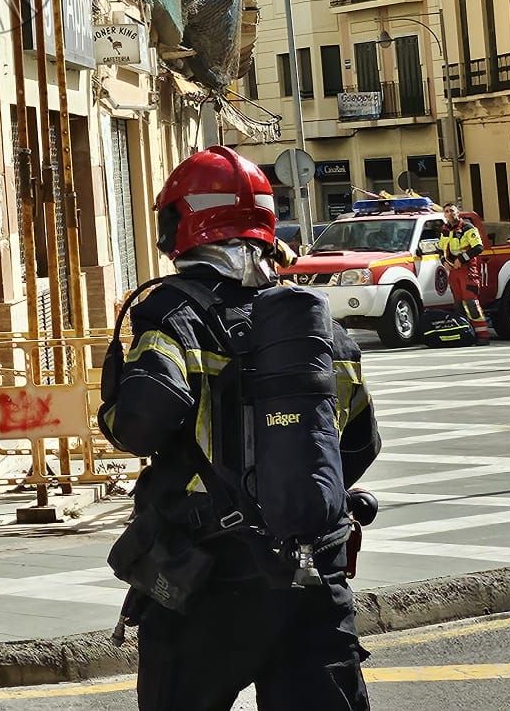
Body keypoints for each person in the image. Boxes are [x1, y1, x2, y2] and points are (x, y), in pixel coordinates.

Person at [100, 145, 382, 711]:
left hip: (209, 581)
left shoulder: (173, 314)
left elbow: (141, 425)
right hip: (312, 576)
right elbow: (359, 439)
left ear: (184, 223)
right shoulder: (311, 320)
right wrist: (290, 492)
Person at [435, 208, 492, 340]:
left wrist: (461, 259)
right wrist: (444, 261)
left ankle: (482, 334)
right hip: (453, 270)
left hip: (467, 268)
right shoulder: (445, 230)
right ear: (444, 214)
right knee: (458, 304)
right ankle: (465, 332)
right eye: (447, 211)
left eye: (452, 210)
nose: (450, 213)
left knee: (471, 302)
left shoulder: (467, 227)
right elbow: (440, 249)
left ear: (457, 212)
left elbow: (478, 247)